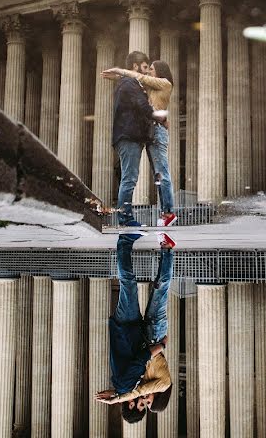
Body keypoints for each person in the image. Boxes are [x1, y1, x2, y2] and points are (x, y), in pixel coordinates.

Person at [94, 232, 175, 423]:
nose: (144, 401)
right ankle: (166, 248)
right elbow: (139, 389)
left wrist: (117, 396)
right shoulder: (161, 385)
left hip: (141, 335)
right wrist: (117, 397)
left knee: (137, 285)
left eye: (141, 404)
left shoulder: (139, 386)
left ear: (131, 405)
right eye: (148, 404)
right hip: (148, 334)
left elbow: (138, 379)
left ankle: (131, 243)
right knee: (159, 288)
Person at [103, 59, 178, 228]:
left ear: (160, 71)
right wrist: (117, 77)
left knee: (161, 172)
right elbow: (135, 84)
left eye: (151, 69)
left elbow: (139, 79)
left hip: (157, 131)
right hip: (151, 131)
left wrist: (120, 70)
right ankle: (164, 213)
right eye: (147, 68)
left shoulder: (165, 83)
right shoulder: (152, 87)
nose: (148, 72)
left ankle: (169, 212)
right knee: (157, 175)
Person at [112, 51, 158, 228]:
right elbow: (143, 106)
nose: (146, 71)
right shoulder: (130, 83)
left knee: (129, 177)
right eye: (145, 67)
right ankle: (125, 218)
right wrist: (159, 116)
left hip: (129, 136)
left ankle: (126, 216)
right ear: (135, 67)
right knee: (129, 178)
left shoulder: (128, 83)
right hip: (128, 136)